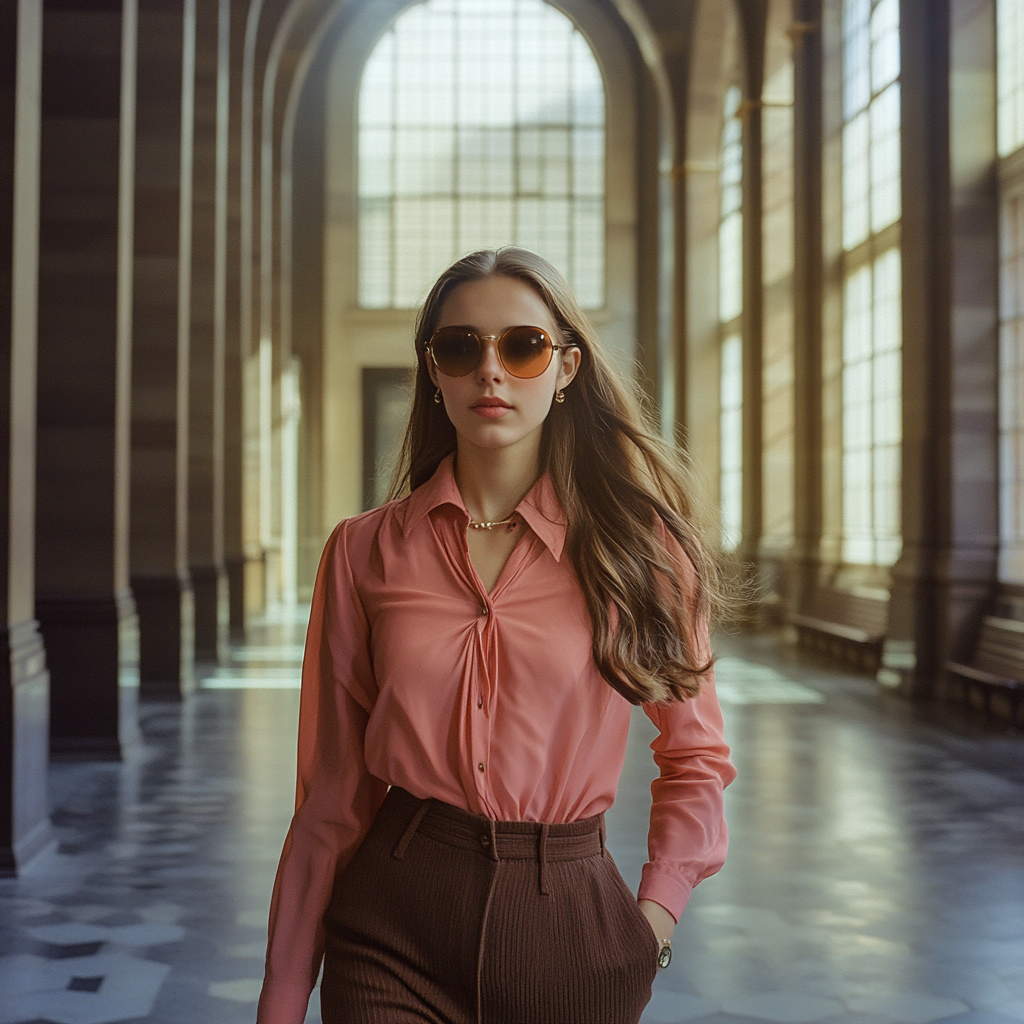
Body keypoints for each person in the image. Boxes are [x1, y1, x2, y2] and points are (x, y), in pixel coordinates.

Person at [256, 247, 736, 1024]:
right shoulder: (363, 551)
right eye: (460, 347)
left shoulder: (641, 552)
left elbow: (696, 757)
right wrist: (281, 999)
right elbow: (330, 799)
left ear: (567, 366)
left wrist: (653, 923)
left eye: (523, 345)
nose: (491, 370)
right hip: (391, 925)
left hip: (570, 930)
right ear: (434, 372)